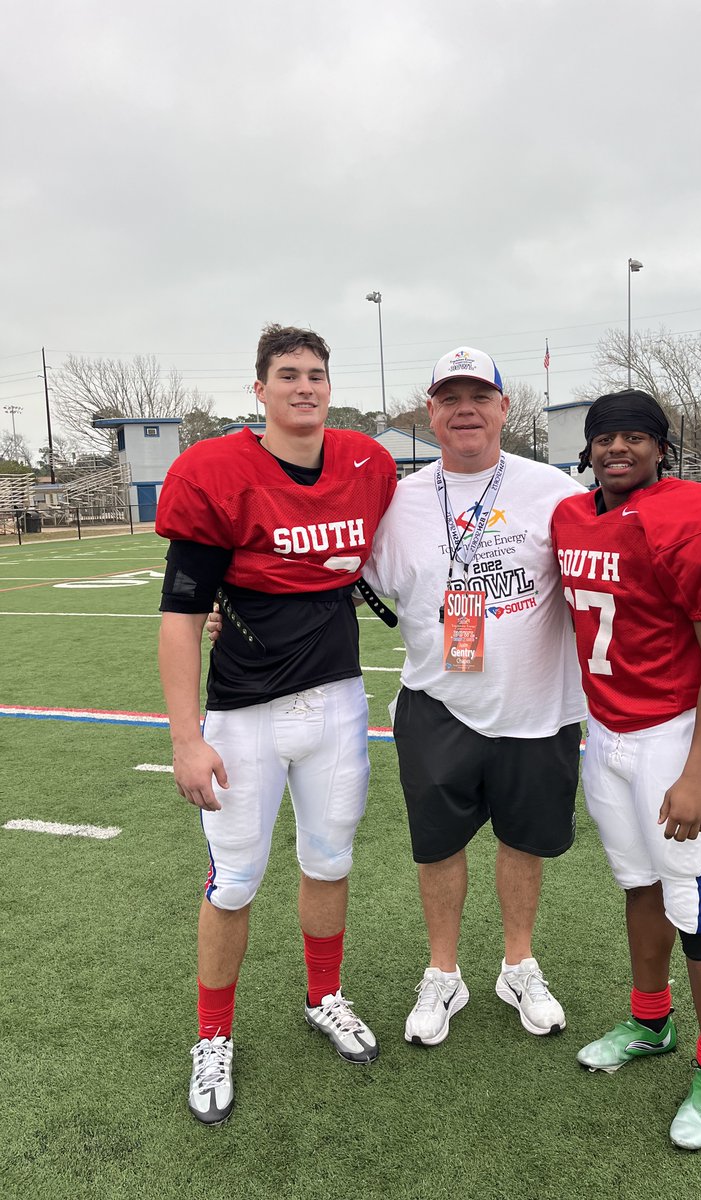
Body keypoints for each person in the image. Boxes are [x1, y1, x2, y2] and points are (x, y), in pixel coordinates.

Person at [156, 324, 397, 1125]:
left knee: (329, 861)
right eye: (288, 374)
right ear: (258, 390)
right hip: (244, 715)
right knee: (235, 882)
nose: (305, 386)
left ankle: (324, 994)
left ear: (332, 386)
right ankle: (213, 1036)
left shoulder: (369, 464)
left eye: (317, 374)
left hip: (335, 703)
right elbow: (182, 616)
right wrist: (187, 737)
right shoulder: (215, 473)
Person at [550, 389, 701, 1151]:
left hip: (671, 735)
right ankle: (648, 1021)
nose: (618, 450)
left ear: (662, 448)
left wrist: (699, 768)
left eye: (636, 438)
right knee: (638, 884)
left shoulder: (693, 517)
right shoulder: (572, 517)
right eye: (607, 439)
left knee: (695, 907)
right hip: (603, 734)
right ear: (589, 449)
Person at [362, 347, 587, 1046]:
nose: (465, 410)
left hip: (537, 703)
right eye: (449, 397)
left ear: (502, 407)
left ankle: (518, 964)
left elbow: (610, 579)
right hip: (437, 701)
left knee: (524, 841)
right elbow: (333, 578)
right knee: (438, 846)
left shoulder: (554, 491)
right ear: (429, 411)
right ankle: (443, 972)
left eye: (478, 396)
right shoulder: (398, 501)